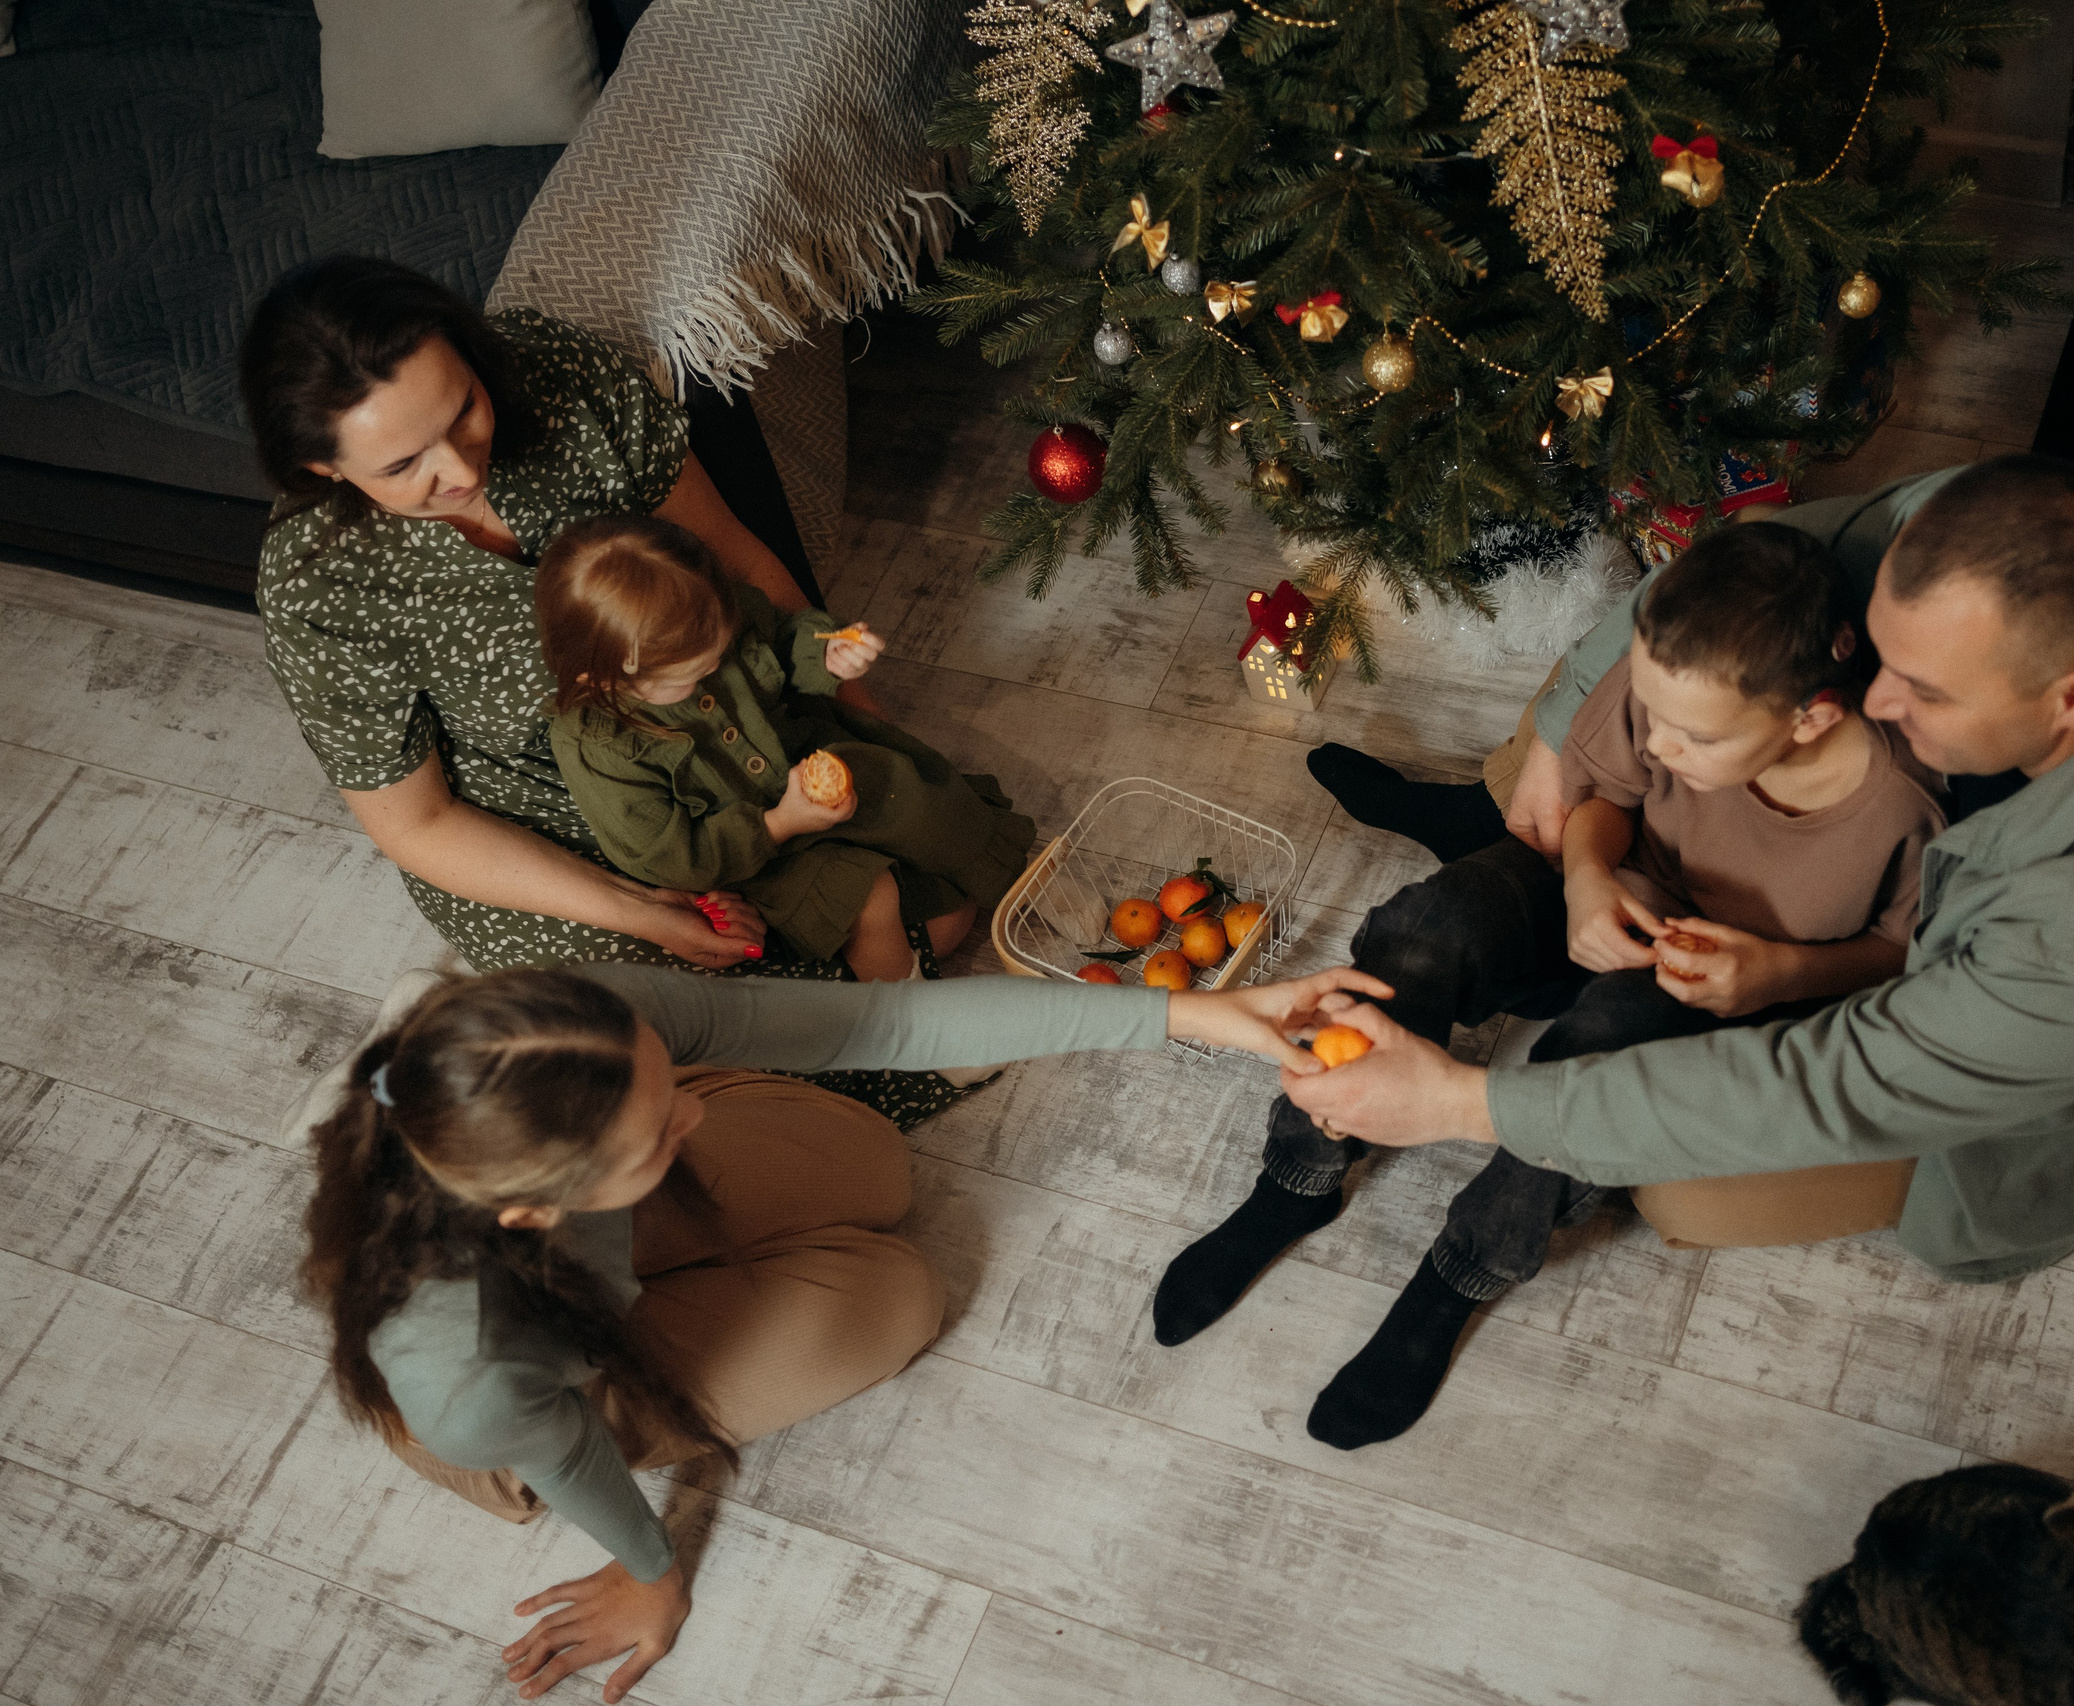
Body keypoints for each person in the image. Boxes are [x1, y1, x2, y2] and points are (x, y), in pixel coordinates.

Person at [1286, 456, 2074, 1284]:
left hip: (2047, 1046)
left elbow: (1838, 1082)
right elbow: (1754, 563)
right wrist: (1570, 725)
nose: (1870, 704)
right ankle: (1513, 891)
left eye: (1926, 692)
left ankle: (1544, 975)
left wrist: (1465, 1102)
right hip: (1748, 880)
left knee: (1681, 1190)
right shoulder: (1993, 528)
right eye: (1880, 655)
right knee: (1566, 744)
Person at [295, 957, 1390, 1703]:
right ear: (538, 1206)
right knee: (898, 1289)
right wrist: (650, 1565)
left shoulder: (577, 1026)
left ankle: (672, 1227)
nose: (700, 1109)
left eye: (670, 1082)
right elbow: (573, 1447)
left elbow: (885, 1022)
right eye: (659, 1127)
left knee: (875, 1162)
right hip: (555, 1395)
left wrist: (1192, 1014)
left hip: (591, 1255)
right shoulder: (471, 1368)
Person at [1152, 526, 1947, 1447]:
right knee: (1429, 924)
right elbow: (1605, 799)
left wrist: (1782, 972)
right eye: (1653, 716)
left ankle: (1463, 1268)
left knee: (1595, 1060)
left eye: (1692, 739)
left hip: (1718, 977)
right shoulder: (1674, 676)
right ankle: (1300, 1173)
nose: (1664, 745)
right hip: (1615, 885)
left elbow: (1899, 952)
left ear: (1810, 717)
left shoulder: (1901, 809)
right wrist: (1584, 879)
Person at [243, 255, 882, 974]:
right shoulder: (319, 586)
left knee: (925, 904)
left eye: (463, 411)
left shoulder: (557, 374)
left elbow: (734, 556)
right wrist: (636, 907)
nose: (459, 471)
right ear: (322, 469)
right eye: (401, 466)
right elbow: (418, 823)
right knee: (735, 1025)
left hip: (709, 722)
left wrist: (869, 724)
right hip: (540, 829)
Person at [537, 514, 1033, 980]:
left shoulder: (713, 611)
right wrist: (781, 823)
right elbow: (671, 857)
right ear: (602, 674)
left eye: (720, 651)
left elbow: (781, 637)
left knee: (916, 795)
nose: (715, 668)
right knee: (870, 897)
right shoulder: (599, 747)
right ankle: (915, 1023)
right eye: (692, 674)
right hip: (758, 853)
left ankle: (1020, 879)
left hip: (807, 759)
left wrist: (826, 650)